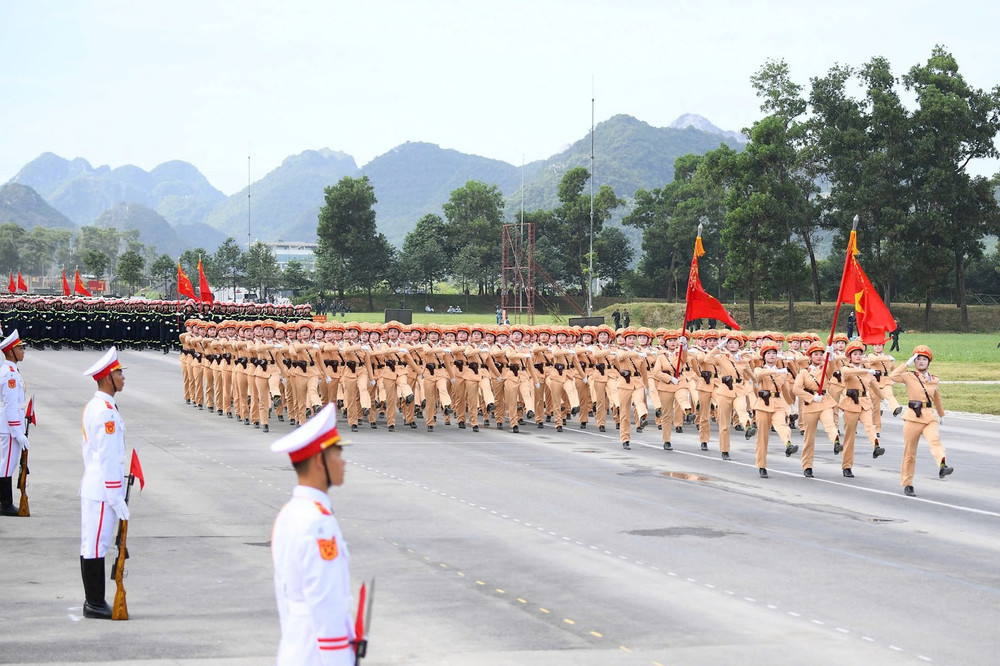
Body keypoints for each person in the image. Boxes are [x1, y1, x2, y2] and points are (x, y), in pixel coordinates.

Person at [270, 404, 358, 665]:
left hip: (296, 648)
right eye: (337, 453)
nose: (343, 461)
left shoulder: (289, 512)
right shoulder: (318, 523)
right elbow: (326, 603)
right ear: (320, 461)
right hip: (317, 655)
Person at [79, 346, 129, 619]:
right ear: (108, 378)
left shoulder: (100, 406)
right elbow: (108, 455)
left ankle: (94, 600)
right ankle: (94, 602)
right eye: (119, 373)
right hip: (102, 489)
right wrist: (115, 495)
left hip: (99, 486)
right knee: (95, 545)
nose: (123, 378)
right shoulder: (105, 411)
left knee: (94, 543)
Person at [888, 345, 953, 497]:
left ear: (929, 362)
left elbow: (936, 397)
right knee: (910, 453)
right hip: (913, 417)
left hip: (929, 417)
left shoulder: (934, 379)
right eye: (918, 359)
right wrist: (907, 363)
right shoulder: (909, 376)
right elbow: (892, 376)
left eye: (924, 359)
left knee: (935, 441)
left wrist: (941, 414)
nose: (921, 362)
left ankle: (942, 465)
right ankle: (908, 483)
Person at [0, 329, 27, 516]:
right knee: (7, 464)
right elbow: (10, 406)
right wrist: (18, 432)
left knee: (6, 463)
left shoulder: (10, 370)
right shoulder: (10, 374)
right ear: (11, 352)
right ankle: (6, 504)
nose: (23, 351)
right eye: (20, 348)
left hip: (11, 425)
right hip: (10, 427)